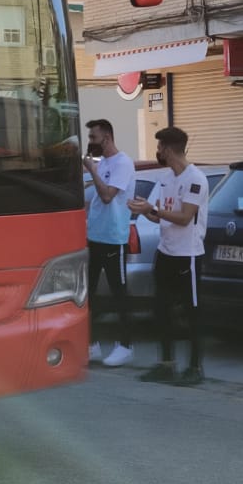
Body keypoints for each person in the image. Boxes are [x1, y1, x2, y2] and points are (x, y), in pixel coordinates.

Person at [129, 127, 209, 386]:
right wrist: (144, 210)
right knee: (161, 310)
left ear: (171, 149)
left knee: (191, 313)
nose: (159, 151)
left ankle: (195, 367)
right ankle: (166, 364)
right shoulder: (165, 179)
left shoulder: (195, 179)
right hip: (166, 253)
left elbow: (185, 218)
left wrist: (154, 210)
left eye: (161, 147)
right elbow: (158, 214)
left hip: (189, 256)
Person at [84, 118, 136, 368]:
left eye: (93, 138)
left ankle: (125, 345)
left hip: (114, 239)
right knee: (89, 294)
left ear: (106, 137)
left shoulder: (123, 163)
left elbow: (107, 196)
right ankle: (92, 345)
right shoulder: (104, 163)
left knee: (119, 294)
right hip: (95, 237)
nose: (90, 143)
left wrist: (92, 170)